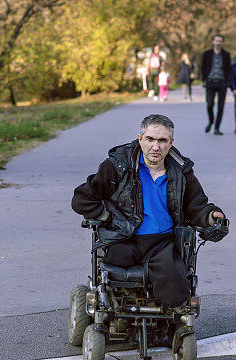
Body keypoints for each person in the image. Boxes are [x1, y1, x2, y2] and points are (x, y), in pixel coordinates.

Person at [71, 114, 226, 308]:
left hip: (162, 243)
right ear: (140, 139)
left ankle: (165, 322)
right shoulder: (118, 165)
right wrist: (107, 217)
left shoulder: (181, 170)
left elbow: (196, 204)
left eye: (162, 141)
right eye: (150, 139)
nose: (155, 147)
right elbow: (81, 199)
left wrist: (211, 216)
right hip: (124, 237)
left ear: (171, 143)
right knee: (114, 266)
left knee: (176, 292)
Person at [201, 34, 233, 135]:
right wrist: (204, 79)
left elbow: (229, 69)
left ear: (222, 43)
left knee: (221, 106)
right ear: (213, 42)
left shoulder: (226, 55)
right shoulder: (207, 54)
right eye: (216, 40)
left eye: (220, 41)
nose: (218, 43)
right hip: (210, 82)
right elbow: (203, 67)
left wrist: (228, 82)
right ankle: (211, 121)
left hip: (222, 83)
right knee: (210, 104)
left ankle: (217, 128)